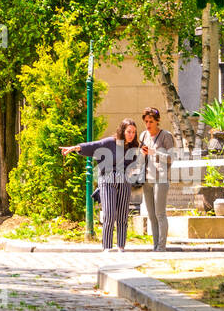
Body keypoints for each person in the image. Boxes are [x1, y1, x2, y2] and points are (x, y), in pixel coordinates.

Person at [60, 119, 143, 252]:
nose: (131, 134)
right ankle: (107, 247)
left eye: (133, 132)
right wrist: (75, 148)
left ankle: (121, 247)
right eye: (128, 131)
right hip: (107, 180)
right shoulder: (109, 142)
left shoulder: (133, 147)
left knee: (122, 215)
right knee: (109, 214)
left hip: (124, 182)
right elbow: (92, 146)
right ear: (122, 131)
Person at [140, 106, 175, 252]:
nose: (148, 125)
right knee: (151, 215)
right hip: (146, 179)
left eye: (151, 122)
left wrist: (155, 152)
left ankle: (161, 247)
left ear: (157, 121)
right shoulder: (143, 136)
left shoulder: (166, 136)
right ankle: (155, 246)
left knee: (160, 214)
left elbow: (171, 159)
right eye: (146, 121)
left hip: (161, 179)